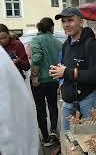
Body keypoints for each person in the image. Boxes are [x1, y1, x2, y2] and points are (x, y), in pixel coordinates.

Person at [50, 7, 96, 132]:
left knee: (90, 140)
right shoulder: (66, 45)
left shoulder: (92, 45)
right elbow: (66, 69)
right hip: (68, 101)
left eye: (70, 20)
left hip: (88, 100)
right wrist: (59, 73)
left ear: (81, 22)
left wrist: (67, 72)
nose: (66, 25)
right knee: (67, 140)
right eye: (63, 21)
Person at [0, 46, 39, 155]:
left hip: (16, 90)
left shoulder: (16, 46)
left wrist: (19, 61)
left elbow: (28, 65)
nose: (2, 40)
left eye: (4, 37)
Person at [30, 17, 62, 146]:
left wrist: (35, 75)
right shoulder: (58, 42)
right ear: (52, 28)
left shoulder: (36, 40)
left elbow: (37, 57)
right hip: (53, 79)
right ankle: (54, 130)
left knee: (40, 108)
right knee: (53, 105)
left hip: (40, 80)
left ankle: (46, 138)